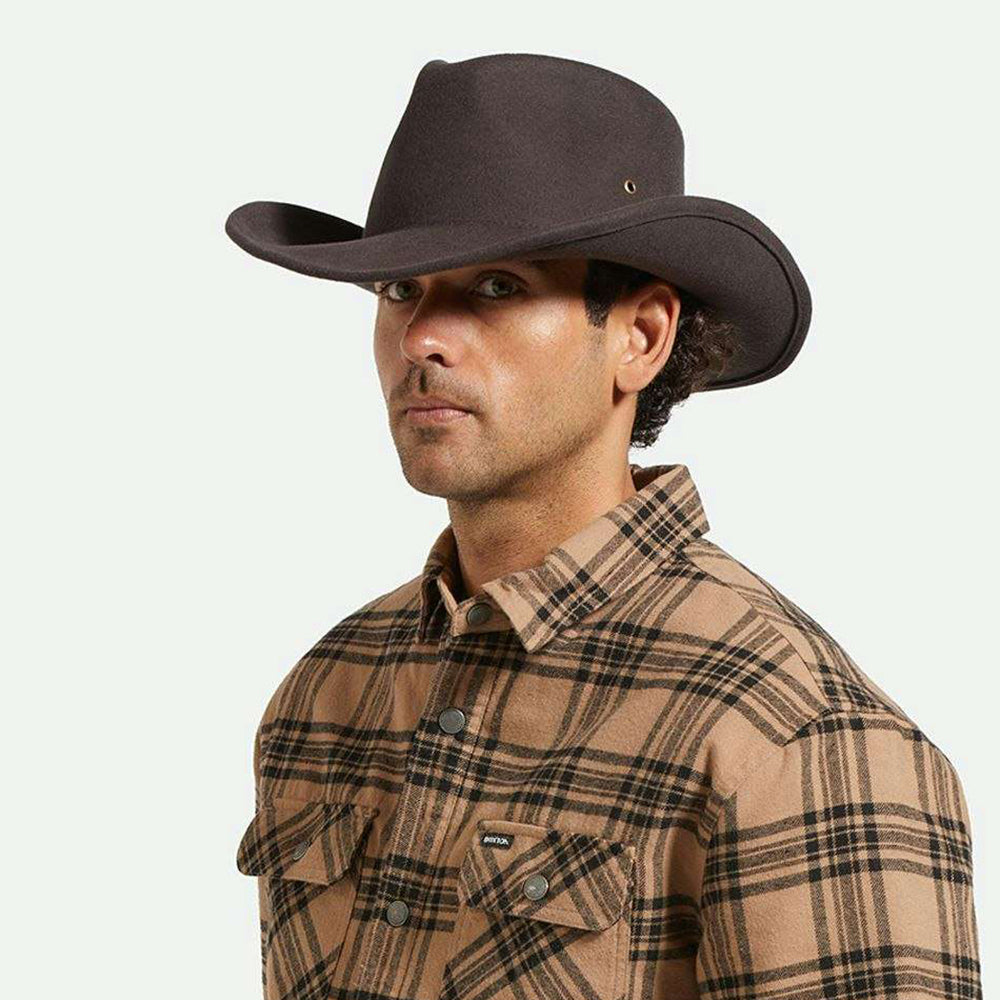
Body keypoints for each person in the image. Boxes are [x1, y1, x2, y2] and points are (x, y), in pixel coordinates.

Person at [228, 53, 981, 1000]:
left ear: (642, 336)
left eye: (497, 288)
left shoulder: (791, 731)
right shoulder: (328, 690)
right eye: (398, 291)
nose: (421, 337)